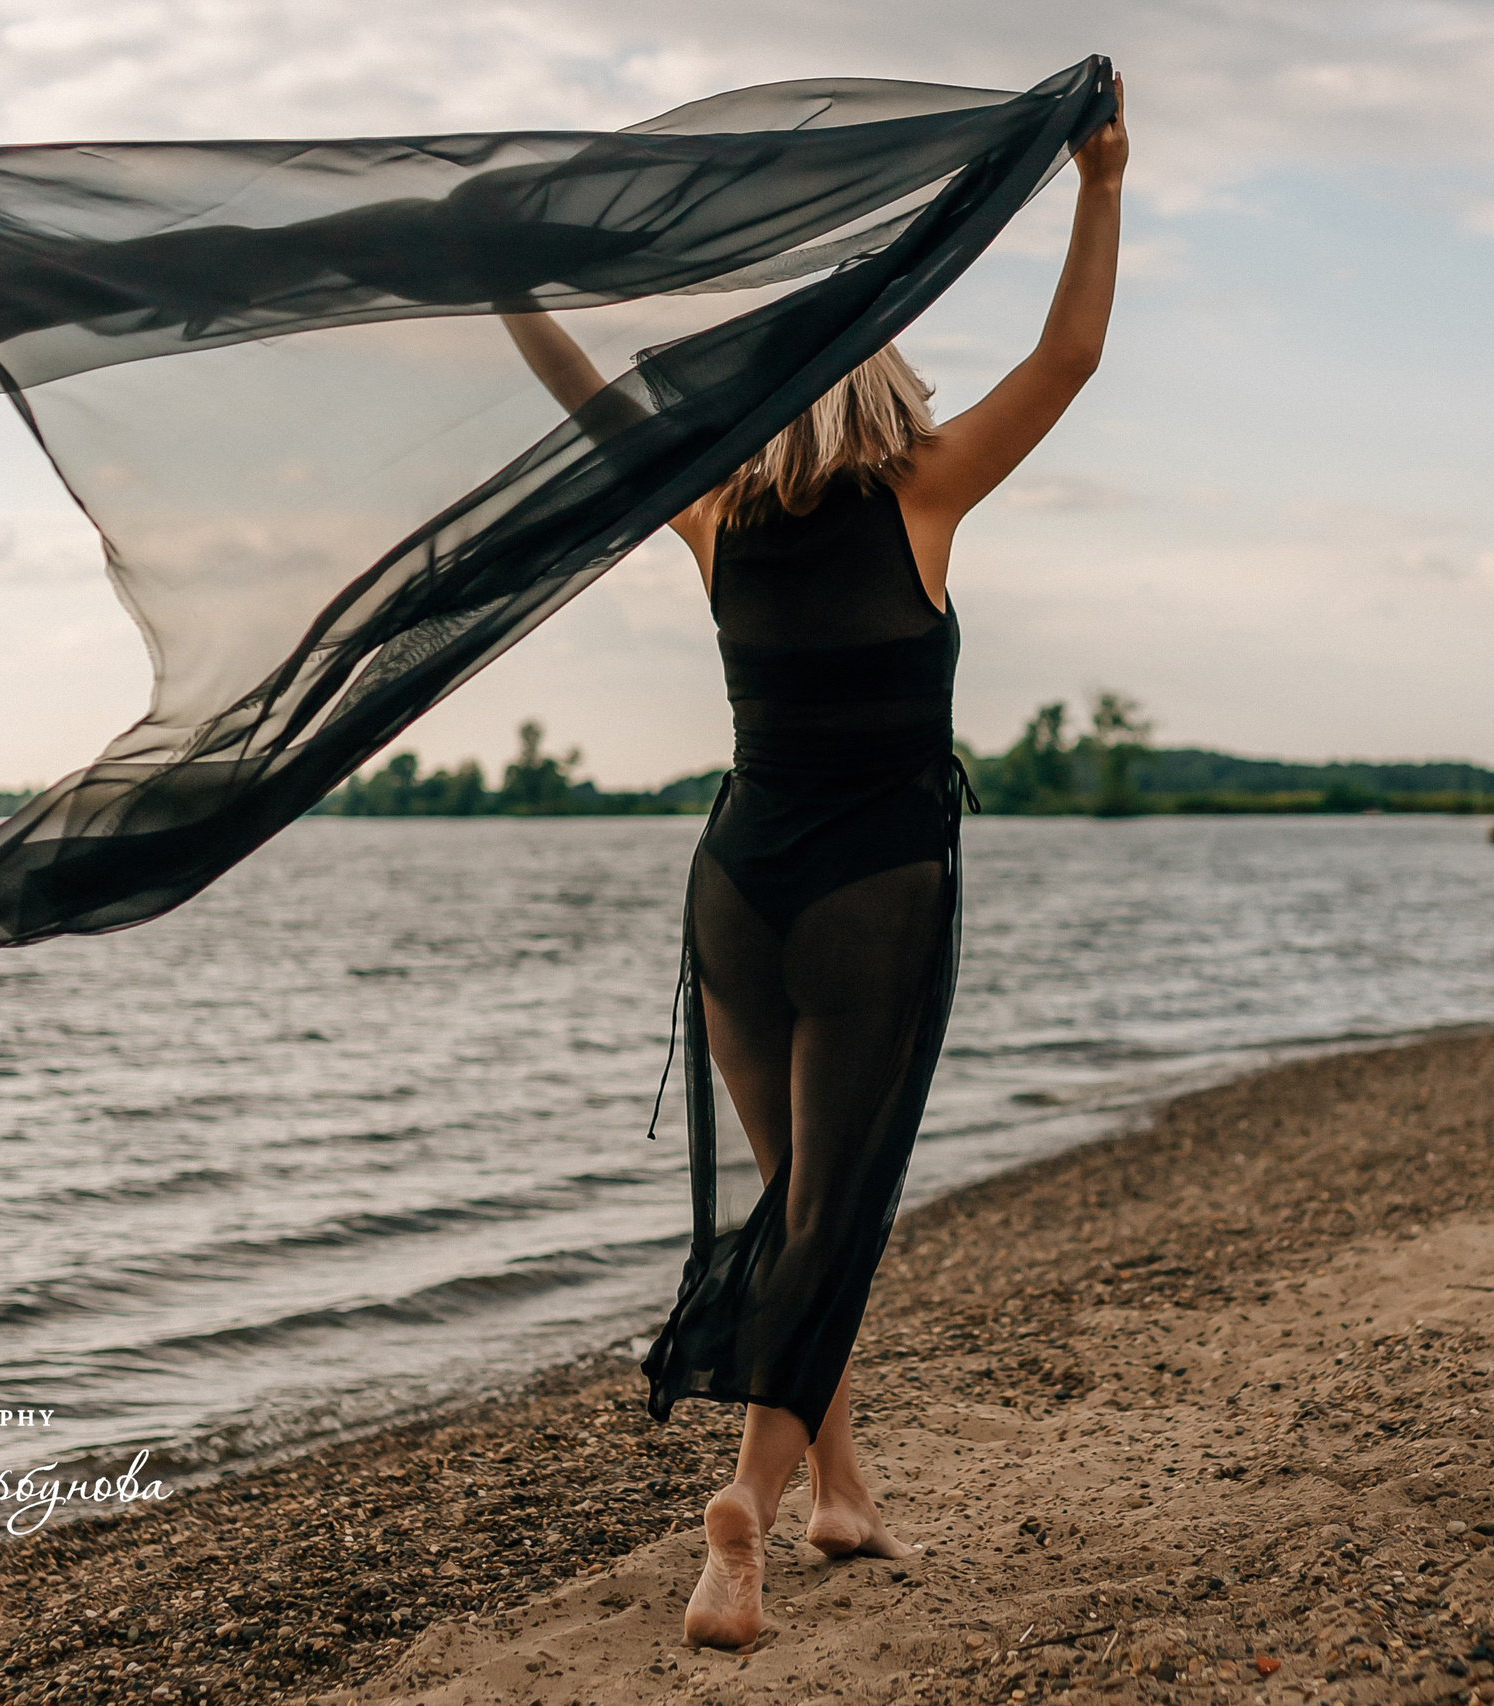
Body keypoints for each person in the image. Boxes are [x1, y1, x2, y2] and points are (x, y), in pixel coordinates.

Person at [503, 75, 1125, 1649]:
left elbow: (592, 404)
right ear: (888, 391)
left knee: (801, 1200)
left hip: (737, 892)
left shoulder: (713, 514)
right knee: (835, 1211)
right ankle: (745, 1522)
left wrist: (508, 284)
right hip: (871, 897)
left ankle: (842, 1490)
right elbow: (1069, 355)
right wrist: (1101, 180)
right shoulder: (926, 492)